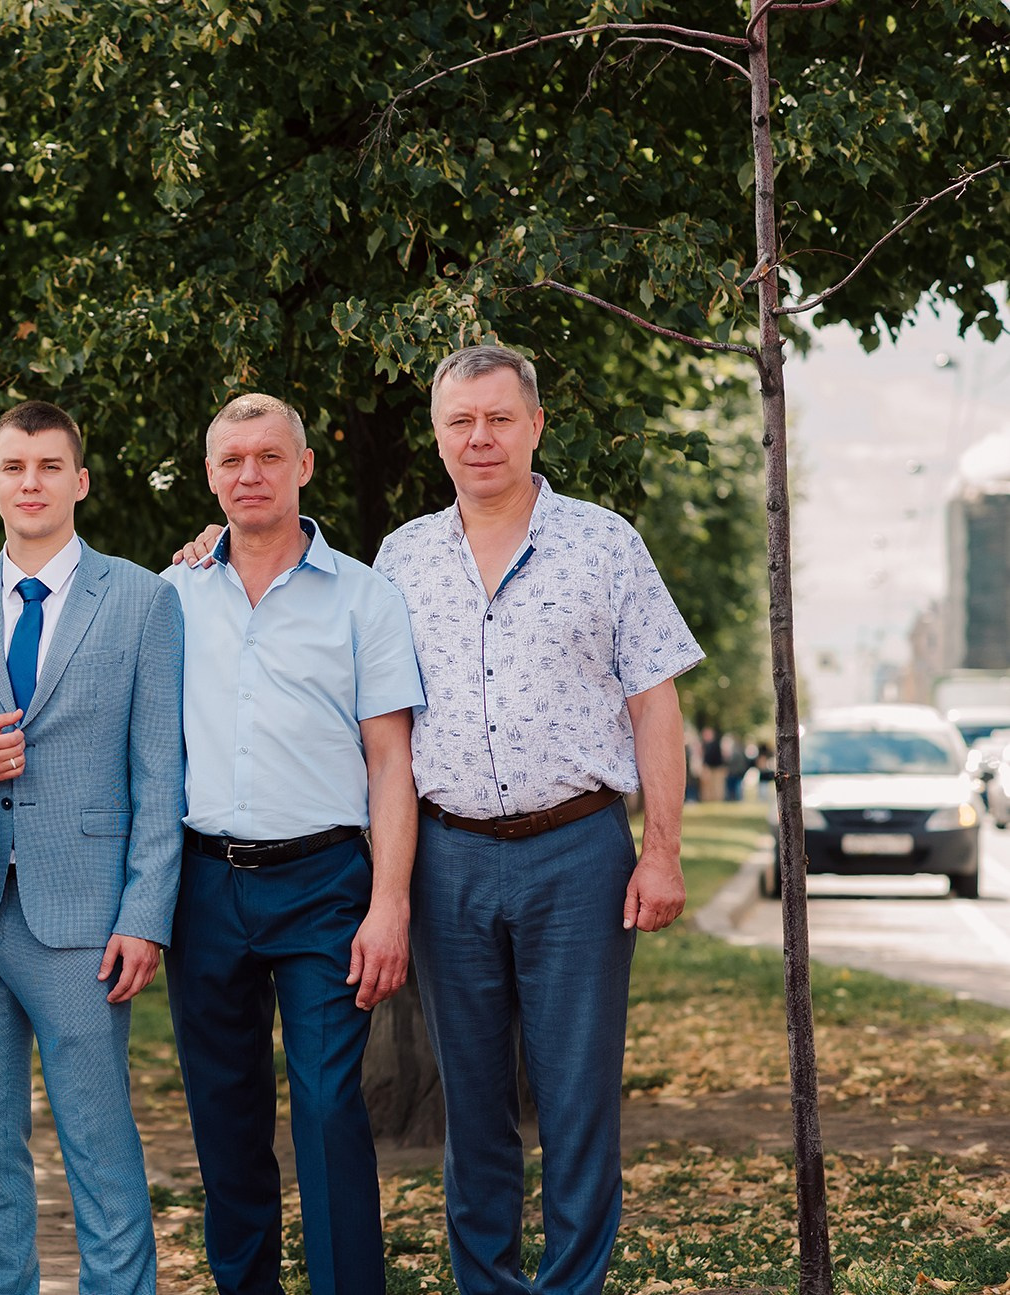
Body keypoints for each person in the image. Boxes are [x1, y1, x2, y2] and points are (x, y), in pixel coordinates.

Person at [373, 344, 702, 1295]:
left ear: (535, 425)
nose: (481, 437)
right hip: (449, 859)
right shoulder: (402, 557)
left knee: (577, 1097)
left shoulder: (605, 543)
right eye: (460, 422)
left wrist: (663, 853)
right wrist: (206, 546)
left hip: (579, 854)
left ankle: (573, 1286)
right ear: (437, 437)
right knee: (470, 1104)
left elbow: (655, 702)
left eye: (498, 418)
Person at [0, 401, 184, 1295]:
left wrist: (145, 916)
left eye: (48, 466)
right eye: (13, 466)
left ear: (80, 480)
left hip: (87, 919)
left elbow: (160, 774)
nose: (31, 483)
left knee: (102, 1151)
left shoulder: (144, 599)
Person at [160, 393, 423, 1295]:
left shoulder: (365, 596)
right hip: (204, 886)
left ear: (304, 467)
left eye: (269, 456)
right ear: (210, 476)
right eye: (232, 460)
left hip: (324, 884)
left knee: (324, 1104)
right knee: (225, 1117)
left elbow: (392, 763)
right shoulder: (173, 595)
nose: (250, 474)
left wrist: (390, 904)